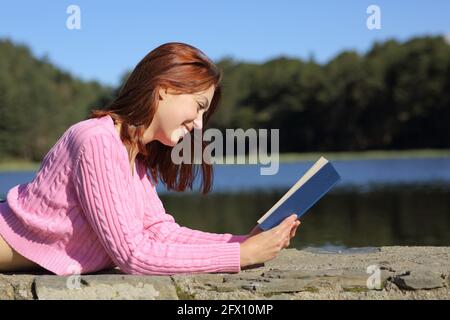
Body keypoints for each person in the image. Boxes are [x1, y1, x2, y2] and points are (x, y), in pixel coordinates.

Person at [0, 42, 300, 275]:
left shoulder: (133, 154)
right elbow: (134, 255)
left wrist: (242, 242)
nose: (198, 123)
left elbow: (160, 232)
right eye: (198, 106)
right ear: (165, 88)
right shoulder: (96, 140)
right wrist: (242, 256)